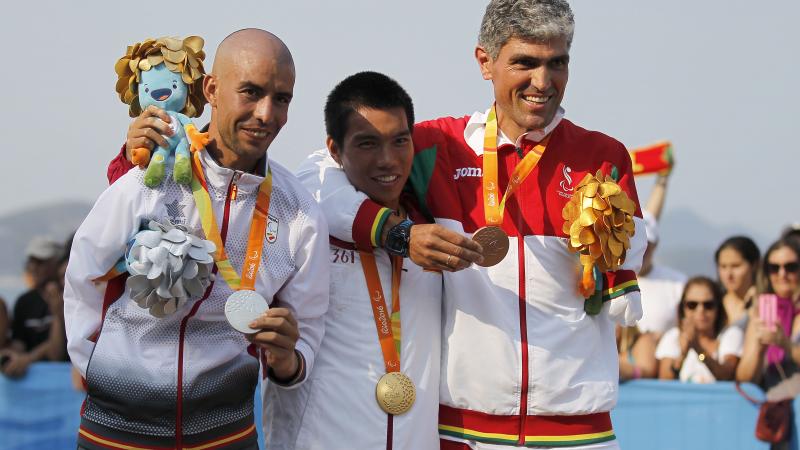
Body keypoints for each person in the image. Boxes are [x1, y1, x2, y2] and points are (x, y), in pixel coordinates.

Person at [296, 1, 647, 448]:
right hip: (464, 432)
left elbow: (632, 256)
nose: (543, 82)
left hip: (579, 431)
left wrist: (612, 242)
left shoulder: (601, 157)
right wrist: (397, 232)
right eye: (525, 62)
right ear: (485, 61)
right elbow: (315, 177)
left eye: (557, 63)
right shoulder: (436, 146)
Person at [66, 29, 329, 450]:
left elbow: (310, 324)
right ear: (211, 89)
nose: (266, 113)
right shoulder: (150, 179)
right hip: (117, 433)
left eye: (281, 99)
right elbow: (85, 275)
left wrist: (287, 360)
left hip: (227, 435)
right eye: (251, 92)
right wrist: (98, 371)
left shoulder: (298, 212)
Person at [262, 71, 442, 449]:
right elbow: (312, 176)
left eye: (399, 141)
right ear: (334, 148)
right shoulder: (307, 222)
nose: (387, 160)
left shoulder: (431, 230)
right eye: (367, 144)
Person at [737, 238, 800, 389]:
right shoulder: (762, 312)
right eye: (774, 268)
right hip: (774, 403)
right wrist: (759, 350)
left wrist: (786, 345)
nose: (782, 274)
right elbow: (744, 378)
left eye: (790, 267)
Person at [655, 276, 741, 383]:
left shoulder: (730, 334)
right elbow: (666, 381)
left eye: (708, 305)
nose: (700, 310)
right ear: (683, 308)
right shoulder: (672, 336)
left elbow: (727, 375)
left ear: (718, 308)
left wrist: (698, 349)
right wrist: (683, 355)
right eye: (692, 305)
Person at [0, 236, 64, 378]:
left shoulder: (70, 297)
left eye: (40, 262)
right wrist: (11, 357)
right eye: (31, 262)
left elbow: (57, 354)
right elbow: (19, 345)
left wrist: (29, 358)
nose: (33, 268)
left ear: (56, 264)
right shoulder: (24, 302)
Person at [636, 168, 687, 339]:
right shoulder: (606, 280)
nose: (641, 249)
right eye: (635, 243)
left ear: (655, 245)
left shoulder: (678, 284)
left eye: (646, 244)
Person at [715, 236, 760, 327]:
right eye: (723, 267)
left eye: (736, 266)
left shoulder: (765, 303)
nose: (729, 274)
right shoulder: (711, 304)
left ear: (754, 265)